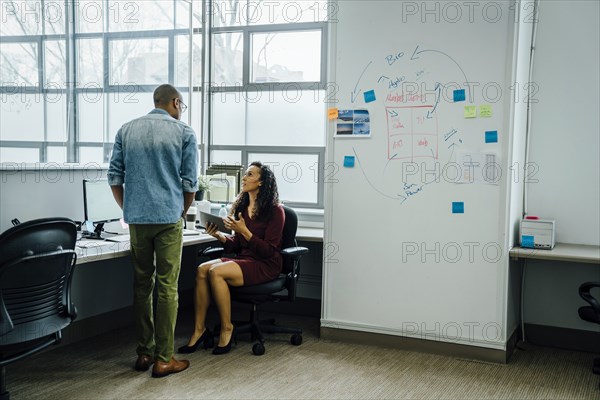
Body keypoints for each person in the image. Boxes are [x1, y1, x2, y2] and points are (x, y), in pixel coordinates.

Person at [107, 84, 198, 378]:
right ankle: (163, 358)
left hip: (137, 220)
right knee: (167, 287)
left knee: (141, 285)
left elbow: (114, 177)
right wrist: (180, 214)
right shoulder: (184, 132)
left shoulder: (126, 130)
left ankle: (144, 353)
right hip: (168, 218)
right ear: (175, 102)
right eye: (181, 105)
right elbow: (189, 185)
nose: (180, 110)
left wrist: (128, 209)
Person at [178, 161, 285, 355]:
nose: (244, 178)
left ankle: (227, 328)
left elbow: (269, 251)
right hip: (245, 259)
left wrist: (245, 231)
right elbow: (236, 245)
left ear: (262, 182)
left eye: (250, 175)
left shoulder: (276, 211)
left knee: (215, 272)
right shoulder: (242, 208)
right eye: (245, 174)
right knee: (202, 269)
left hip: (265, 264)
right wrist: (219, 235)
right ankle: (199, 330)